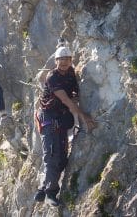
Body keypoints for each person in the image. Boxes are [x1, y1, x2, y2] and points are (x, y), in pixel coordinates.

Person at [34, 43, 96, 206]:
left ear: (71, 60)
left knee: (62, 159)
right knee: (52, 156)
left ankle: (43, 187)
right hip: (49, 119)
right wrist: (83, 115)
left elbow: (74, 92)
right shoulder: (52, 77)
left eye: (67, 59)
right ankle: (50, 193)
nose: (64, 62)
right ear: (56, 61)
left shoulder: (70, 73)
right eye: (61, 59)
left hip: (61, 120)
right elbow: (66, 99)